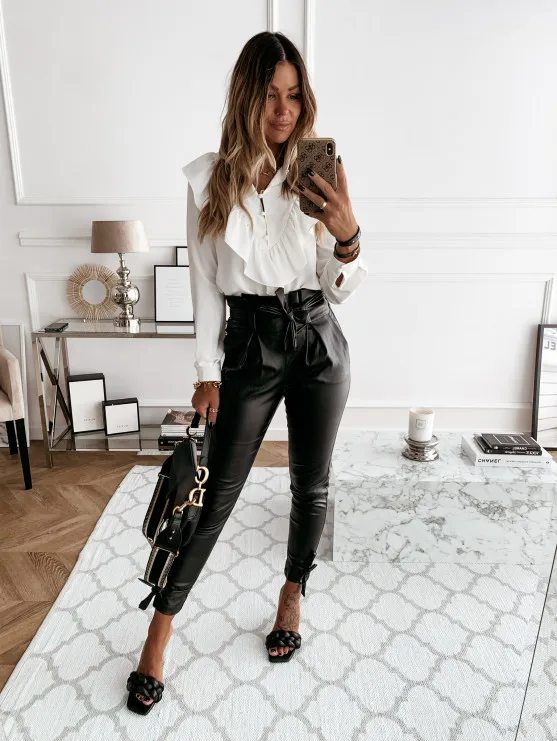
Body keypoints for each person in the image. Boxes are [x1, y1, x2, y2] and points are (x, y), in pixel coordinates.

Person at [126, 30, 368, 713]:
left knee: (310, 486)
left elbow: (339, 284)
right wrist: (207, 371)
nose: (284, 110)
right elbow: (206, 283)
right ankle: (158, 631)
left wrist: (348, 235)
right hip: (249, 345)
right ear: (245, 97)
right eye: (270, 95)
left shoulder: (316, 171)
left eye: (293, 96)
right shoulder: (208, 178)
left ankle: (292, 593)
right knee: (213, 497)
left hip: (317, 338)